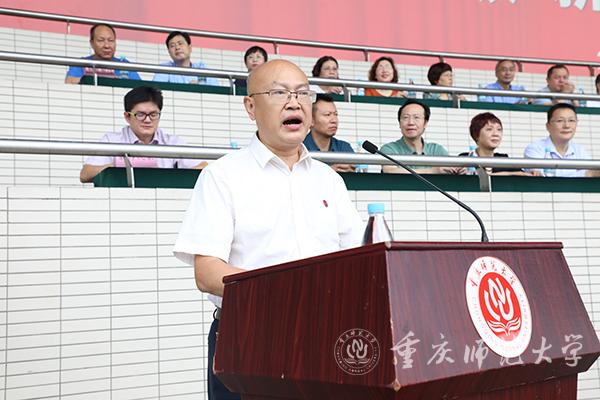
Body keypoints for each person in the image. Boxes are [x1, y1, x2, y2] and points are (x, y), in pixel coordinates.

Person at [173, 59, 364, 400]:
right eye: (279, 93)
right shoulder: (223, 175)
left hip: (325, 334)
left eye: (302, 93)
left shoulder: (329, 180)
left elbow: (357, 258)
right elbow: (207, 271)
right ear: (250, 107)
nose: (294, 103)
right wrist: (285, 293)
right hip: (251, 335)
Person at [79, 86, 205, 183]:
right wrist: (119, 166)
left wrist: (169, 175)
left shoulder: (173, 142)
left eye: (153, 114)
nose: (148, 120)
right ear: (127, 116)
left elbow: (203, 167)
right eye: (140, 114)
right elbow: (85, 174)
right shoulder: (112, 140)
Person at [381, 99, 464, 174]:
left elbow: (450, 168)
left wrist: (458, 170)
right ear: (399, 123)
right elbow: (390, 171)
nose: (411, 122)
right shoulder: (390, 149)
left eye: (416, 117)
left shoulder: (437, 150)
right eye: (405, 117)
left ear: (425, 123)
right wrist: (433, 171)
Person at [524, 103, 590, 177]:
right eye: (560, 121)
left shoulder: (579, 150)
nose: (567, 126)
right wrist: (585, 174)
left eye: (571, 120)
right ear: (548, 126)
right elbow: (541, 178)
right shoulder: (535, 149)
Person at [65, 24, 141, 84]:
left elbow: (139, 86)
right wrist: (106, 81)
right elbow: (70, 82)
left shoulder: (124, 65)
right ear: (92, 43)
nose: (107, 46)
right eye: (101, 40)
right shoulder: (81, 64)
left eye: (111, 40)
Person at [458, 112, 529, 175]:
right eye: (489, 129)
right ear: (476, 134)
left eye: (499, 129)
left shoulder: (503, 159)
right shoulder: (465, 158)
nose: (496, 134)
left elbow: (524, 174)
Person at [303, 94, 355, 172]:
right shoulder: (299, 148)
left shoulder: (344, 148)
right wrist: (329, 172)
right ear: (311, 120)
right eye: (327, 115)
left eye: (335, 114)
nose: (334, 120)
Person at [153, 31, 219, 85]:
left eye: (180, 43)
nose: (177, 48)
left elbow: (215, 89)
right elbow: (156, 89)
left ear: (190, 48)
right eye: (172, 46)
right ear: (169, 52)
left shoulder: (201, 68)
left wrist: (199, 87)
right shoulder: (165, 68)